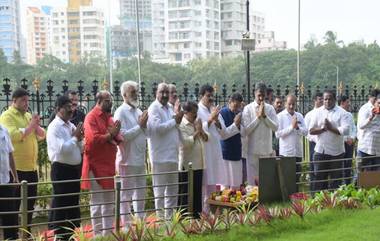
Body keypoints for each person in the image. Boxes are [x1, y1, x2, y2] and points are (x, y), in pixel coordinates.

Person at [0, 87, 45, 232]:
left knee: (29, 204)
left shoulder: (27, 116)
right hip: (17, 169)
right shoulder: (7, 116)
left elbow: (41, 135)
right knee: (14, 205)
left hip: (31, 168)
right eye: (23, 100)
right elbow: (12, 136)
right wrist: (30, 127)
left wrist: (35, 126)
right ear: (14, 101)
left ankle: (27, 232)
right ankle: (12, 233)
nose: (26, 103)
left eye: (27, 100)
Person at [81, 91, 122, 237]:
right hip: (95, 165)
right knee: (97, 202)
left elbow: (118, 136)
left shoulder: (109, 117)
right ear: (98, 101)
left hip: (108, 165)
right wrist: (109, 135)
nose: (110, 103)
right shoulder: (91, 117)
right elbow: (93, 140)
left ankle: (108, 234)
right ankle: (97, 235)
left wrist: (112, 136)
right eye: (107, 101)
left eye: (110, 100)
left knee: (109, 202)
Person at [47, 95, 83, 240]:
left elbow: (80, 147)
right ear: (58, 109)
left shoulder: (71, 125)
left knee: (73, 202)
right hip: (61, 169)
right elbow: (62, 149)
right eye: (67, 107)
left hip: (74, 170)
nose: (71, 110)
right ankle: (60, 235)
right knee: (62, 203)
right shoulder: (54, 127)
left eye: (72, 107)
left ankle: (72, 234)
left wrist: (79, 139)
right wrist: (75, 138)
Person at [114, 81, 148, 227]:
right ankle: (127, 226)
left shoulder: (139, 111)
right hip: (127, 161)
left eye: (136, 91)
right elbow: (123, 136)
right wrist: (140, 126)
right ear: (124, 95)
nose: (135, 94)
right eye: (132, 92)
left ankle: (140, 223)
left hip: (140, 160)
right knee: (126, 196)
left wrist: (144, 126)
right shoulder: (120, 112)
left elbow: (145, 133)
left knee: (140, 194)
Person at [147, 83, 183, 220]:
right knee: (160, 192)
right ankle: (161, 222)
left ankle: (170, 222)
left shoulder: (169, 108)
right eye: (162, 92)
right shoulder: (153, 108)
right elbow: (158, 129)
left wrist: (176, 120)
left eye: (167, 92)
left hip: (173, 156)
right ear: (156, 93)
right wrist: (175, 121)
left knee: (173, 192)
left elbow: (175, 126)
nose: (165, 95)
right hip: (160, 157)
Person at [308, 90, 350, 191]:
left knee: (336, 181)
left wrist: (331, 128)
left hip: (337, 152)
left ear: (335, 100)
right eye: (325, 99)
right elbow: (311, 130)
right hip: (321, 151)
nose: (327, 101)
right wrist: (323, 129)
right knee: (319, 179)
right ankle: (317, 202)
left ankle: (333, 203)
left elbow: (346, 130)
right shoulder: (318, 112)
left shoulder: (342, 113)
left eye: (330, 99)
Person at [197, 84, 227, 211]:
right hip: (204, 151)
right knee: (204, 183)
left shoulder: (214, 109)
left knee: (213, 182)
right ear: (201, 96)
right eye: (208, 96)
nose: (210, 99)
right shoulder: (197, 110)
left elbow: (223, 131)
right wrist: (210, 119)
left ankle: (212, 211)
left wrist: (217, 121)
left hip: (215, 151)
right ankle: (204, 212)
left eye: (212, 96)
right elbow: (197, 129)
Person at [242, 83, 278, 185]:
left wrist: (265, 116)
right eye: (259, 95)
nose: (261, 98)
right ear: (255, 93)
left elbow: (276, 127)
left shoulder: (270, 108)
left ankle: (264, 200)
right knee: (251, 182)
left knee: (265, 181)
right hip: (252, 150)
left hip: (266, 150)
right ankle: (252, 201)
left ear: (266, 94)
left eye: (263, 95)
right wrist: (258, 118)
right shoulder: (248, 109)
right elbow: (246, 130)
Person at [178, 101, 208, 218]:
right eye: (193, 113)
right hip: (187, 165)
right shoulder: (181, 124)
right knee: (186, 193)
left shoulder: (196, 123)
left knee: (197, 192)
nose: (196, 115)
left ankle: (197, 216)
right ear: (186, 112)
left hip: (199, 163)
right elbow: (185, 143)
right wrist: (197, 131)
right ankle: (185, 217)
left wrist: (201, 130)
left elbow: (206, 138)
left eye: (196, 113)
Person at [276, 95, 307, 190]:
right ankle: (286, 197)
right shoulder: (280, 116)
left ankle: (296, 195)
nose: (291, 106)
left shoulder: (299, 116)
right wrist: (291, 127)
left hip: (297, 151)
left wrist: (297, 127)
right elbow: (278, 134)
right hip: (286, 152)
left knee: (297, 176)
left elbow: (306, 132)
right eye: (289, 104)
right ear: (285, 103)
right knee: (287, 176)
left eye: (293, 104)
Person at [219, 93, 244, 189]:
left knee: (236, 184)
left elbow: (244, 132)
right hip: (225, 152)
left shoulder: (239, 113)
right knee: (225, 185)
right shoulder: (222, 113)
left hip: (237, 151)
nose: (236, 108)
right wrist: (235, 124)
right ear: (230, 102)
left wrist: (238, 125)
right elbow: (223, 135)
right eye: (235, 105)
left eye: (239, 106)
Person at [0, 123, 19, 240]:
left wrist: (15, 177)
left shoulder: (4, 130)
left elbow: (10, 154)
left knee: (10, 219)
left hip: (5, 182)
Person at [357, 90, 380, 171]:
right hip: (365, 148)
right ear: (370, 97)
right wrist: (371, 117)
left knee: (375, 175)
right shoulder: (365, 108)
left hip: (377, 149)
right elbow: (361, 125)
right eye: (375, 98)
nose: (376, 100)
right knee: (361, 174)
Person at [304, 92, 323, 190]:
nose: (322, 101)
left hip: (324, 144)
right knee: (313, 167)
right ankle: (313, 190)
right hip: (313, 144)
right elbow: (307, 132)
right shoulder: (309, 115)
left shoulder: (325, 113)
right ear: (315, 100)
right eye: (320, 99)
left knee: (323, 167)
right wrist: (316, 138)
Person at [338, 95, 357, 184]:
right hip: (341, 143)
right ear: (342, 103)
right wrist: (346, 139)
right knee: (340, 164)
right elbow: (338, 129)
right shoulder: (338, 114)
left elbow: (353, 128)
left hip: (350, 143)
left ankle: (347, 184)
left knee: (348, 164)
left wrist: (352, 138)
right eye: (347, 102)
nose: (349, 104)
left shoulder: (349, 114)